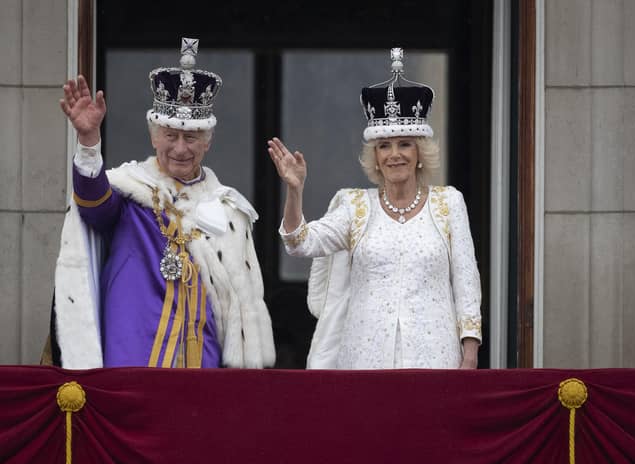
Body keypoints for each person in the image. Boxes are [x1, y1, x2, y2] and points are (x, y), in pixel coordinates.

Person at [44, 37, 275, 369]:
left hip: (202, 360)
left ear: (207, 142)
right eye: (170, 136)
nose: (180, 148)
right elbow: (94, 205)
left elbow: (237, 307)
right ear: (154, 137)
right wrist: (89, 143)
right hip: (134, 355)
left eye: (191, 137)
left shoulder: (227, 210)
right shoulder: (131, 193)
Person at [268, 48, 481, 370]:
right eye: (384, 146)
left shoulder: (448, 203)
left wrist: (470, 350)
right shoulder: (355, 206)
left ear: (420, 152)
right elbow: (300, 243)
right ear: (376, 157)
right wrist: (294, 191)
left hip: (435, 354)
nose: (395, 154)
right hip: (365, 356)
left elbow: (466, 280)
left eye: (405, 144)